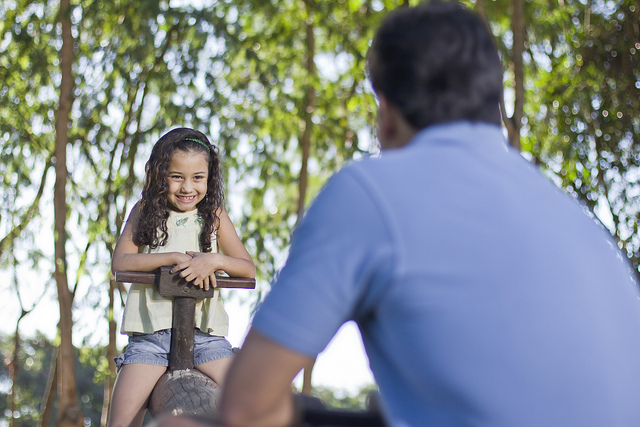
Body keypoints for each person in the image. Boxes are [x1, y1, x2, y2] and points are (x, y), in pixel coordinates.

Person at [213, 2, 640, 426]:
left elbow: (246, 408)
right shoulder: (574, 218)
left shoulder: (370, 192)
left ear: (386, 111)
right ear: (492, 101)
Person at [108, 127, 255, 427]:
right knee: (120, 423)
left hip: (205, 338)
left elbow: (247, 268)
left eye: (197, 178)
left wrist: (213, 260)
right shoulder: (144, 212)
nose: (187, 187)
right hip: (151, 338)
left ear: (209, 178)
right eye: (176, 176)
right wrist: (174, 258)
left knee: (251, 406)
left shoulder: (213, 215)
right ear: (158, 174)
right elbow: (120, 262)